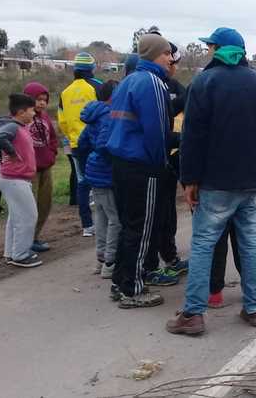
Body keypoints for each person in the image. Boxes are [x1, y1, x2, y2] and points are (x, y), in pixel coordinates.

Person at [166, 27, 256, 335]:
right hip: (252, 182)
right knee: (249, 241)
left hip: (215, 181)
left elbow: (193, 135)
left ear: (217, 49)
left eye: (210, 47)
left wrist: (188, 178)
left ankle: (193, 313)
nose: (207, 51)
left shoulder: (204, 83)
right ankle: (253, 307)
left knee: (204, 242)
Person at [106, 34, 174, 308]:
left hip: (120, 161)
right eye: (168, 53)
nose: (171, 59)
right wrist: (162, 164)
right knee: (142, 228)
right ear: (156, 55)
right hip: (143, 165)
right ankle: (132, 289)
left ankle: (119, 281)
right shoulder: (153, 82)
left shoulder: (128, 81)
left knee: (128, 225)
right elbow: (157, 130)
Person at [142, 42, 188, 285]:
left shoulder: (176, 87)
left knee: (168, 211)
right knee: (152, 215)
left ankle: (169, 256)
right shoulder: (148, 84)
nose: (171, 64)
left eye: (173, 59)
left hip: (171, 157)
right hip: (151, 158)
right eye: (167, 57)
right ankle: (147, 267)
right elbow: (153, 129)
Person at [0, 94, 41, 268]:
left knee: (16, 218)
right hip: (14, 179)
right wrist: (12, 152)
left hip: (15, 179)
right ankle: (20, 254)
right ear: (21, 112)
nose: (34, 113)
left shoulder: (20, 126)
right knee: (28, 216)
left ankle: (12, 252)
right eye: (31, 110)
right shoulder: (12, 126)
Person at [79, 80, 120, 279]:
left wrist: (89, 161)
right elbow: (105, 144)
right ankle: (110, 263)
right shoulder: (110, 115)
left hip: (93, 171)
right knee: (116, 220)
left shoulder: (94, 114)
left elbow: (81, 143)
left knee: (102, 216)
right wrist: (113, 160)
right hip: (106, 173)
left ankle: (101, 258)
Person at [59, 52, 101, 237]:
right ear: (91, 68)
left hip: (76, 144)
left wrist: (72, 136)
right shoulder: (97, 86)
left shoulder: (65, 92)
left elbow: (62, 122)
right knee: (103, 182)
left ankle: (87, 226)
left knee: (83, 182)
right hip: (98, 142)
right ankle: (105, 222)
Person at [23, 82, 58, 253]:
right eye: (38, 99)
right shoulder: (22, 117)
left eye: (44, 100)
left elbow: (52, 138)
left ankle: (35, 236)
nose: (42, 103)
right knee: (30, 206)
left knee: (45, 203)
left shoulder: (45, 118)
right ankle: (25, 241)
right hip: (30, 170)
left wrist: (51, 154)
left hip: (46, 166)